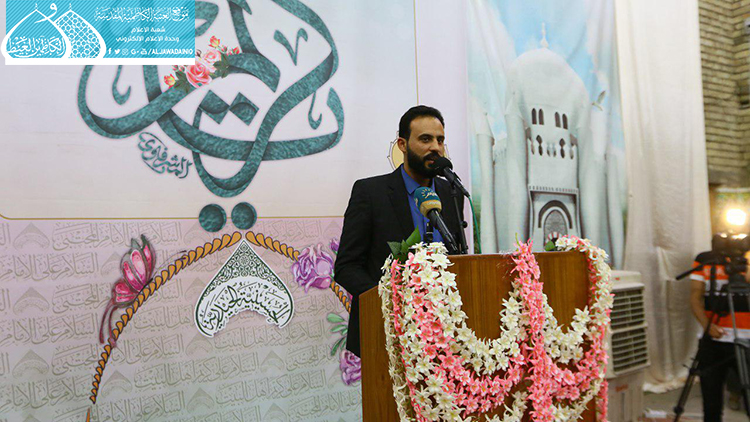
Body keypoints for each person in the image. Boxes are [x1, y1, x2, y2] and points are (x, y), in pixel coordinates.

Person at [334, 105, 466, 357]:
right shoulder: (370, 193)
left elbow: (458, 259)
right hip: (385, 334)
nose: (435, 148)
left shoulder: (451, 193)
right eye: (425, 139)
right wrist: (391, 302)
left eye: (440, 140)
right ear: (402, 145)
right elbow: (347, 268)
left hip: (444, 335)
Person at [690, 249, 750, 421]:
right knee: (711, 404)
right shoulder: (705, 259)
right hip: (713, 341)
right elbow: (695, 297)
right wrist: (707, 325)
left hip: (747, 339)